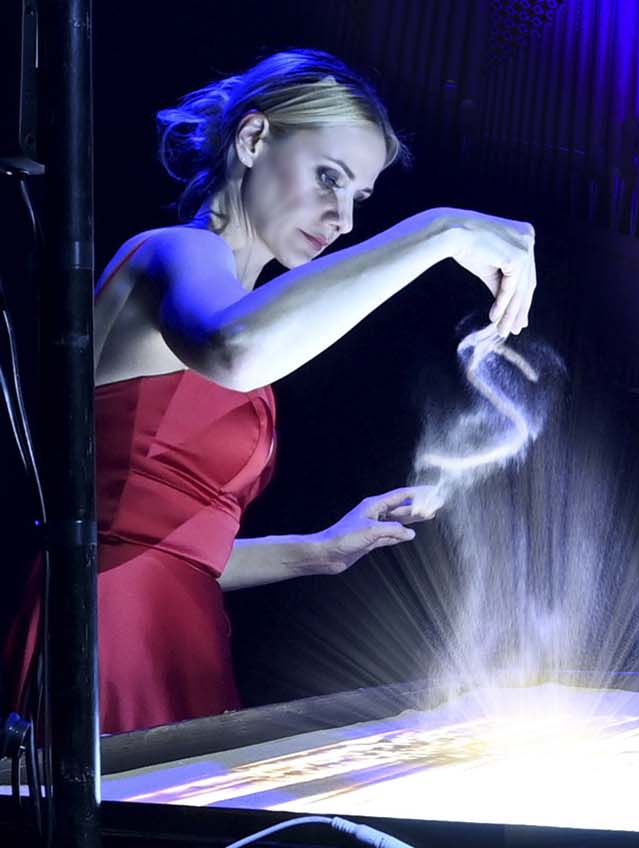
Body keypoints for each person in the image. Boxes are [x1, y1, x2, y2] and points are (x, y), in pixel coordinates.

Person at [2, 49, 540, 733]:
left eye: (358, 197)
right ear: (253, 139)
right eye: (328, 177)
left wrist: (318, 550)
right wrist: (438, 231)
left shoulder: (235, 313)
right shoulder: (175, 252)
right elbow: (236, 348)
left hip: (178, 628)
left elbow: (177, 550)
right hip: (110, 627)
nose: (342, 217)